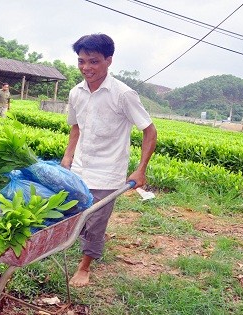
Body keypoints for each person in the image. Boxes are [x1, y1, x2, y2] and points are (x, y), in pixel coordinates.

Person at [61, 34, 157, 287]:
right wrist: (68, 155)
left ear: (108, 61)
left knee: (96, 222)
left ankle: (85, 267)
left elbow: (149, 130)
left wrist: (141, 170)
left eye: (93, 61)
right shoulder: (76, 92)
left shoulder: (124, 94)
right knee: (73, 213)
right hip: (80, 167)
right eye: (81, 61)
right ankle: (82, 243)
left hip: (108, 171)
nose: (86, 68)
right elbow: (75, 127)